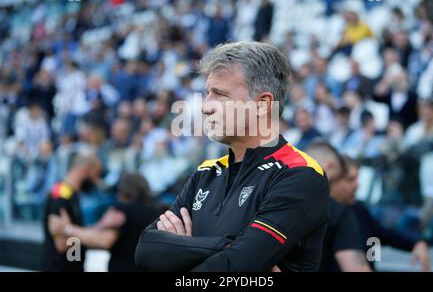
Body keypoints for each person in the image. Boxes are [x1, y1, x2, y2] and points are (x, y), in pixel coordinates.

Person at [135, 42, 329, 272]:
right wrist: (228, 245)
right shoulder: (206, 172)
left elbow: (235, 268)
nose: (206, 107)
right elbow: (146, 252)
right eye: (207, 94)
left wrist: (183, 249)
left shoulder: (300, 174)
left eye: (220, 95)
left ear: (262, 104)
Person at [48, 172, 162, 271]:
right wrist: (101, 225)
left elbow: (103, 241)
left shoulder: (121, 210)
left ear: (122, 191)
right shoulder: (156, 212)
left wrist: (67, 228)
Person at [336, 155, 431, 271]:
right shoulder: (323, 217)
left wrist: (416, 242)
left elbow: (384, 234)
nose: (357, 185)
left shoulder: (358, 209)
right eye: (350, 179)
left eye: (357, 179)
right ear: (334, 181)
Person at [305, 141, 371, 272]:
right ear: (329, 168)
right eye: (349, 179)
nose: (357, 185)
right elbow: (355, 268)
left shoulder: (274, 201)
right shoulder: (339, 213)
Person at [41, 153, 102, 271]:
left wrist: (70, 230)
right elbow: (62, 245)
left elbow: (70, 234)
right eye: (95, 176)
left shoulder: (72, 194)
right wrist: (88, 237)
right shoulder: (61, 196)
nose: (95, 182)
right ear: (85, 171)